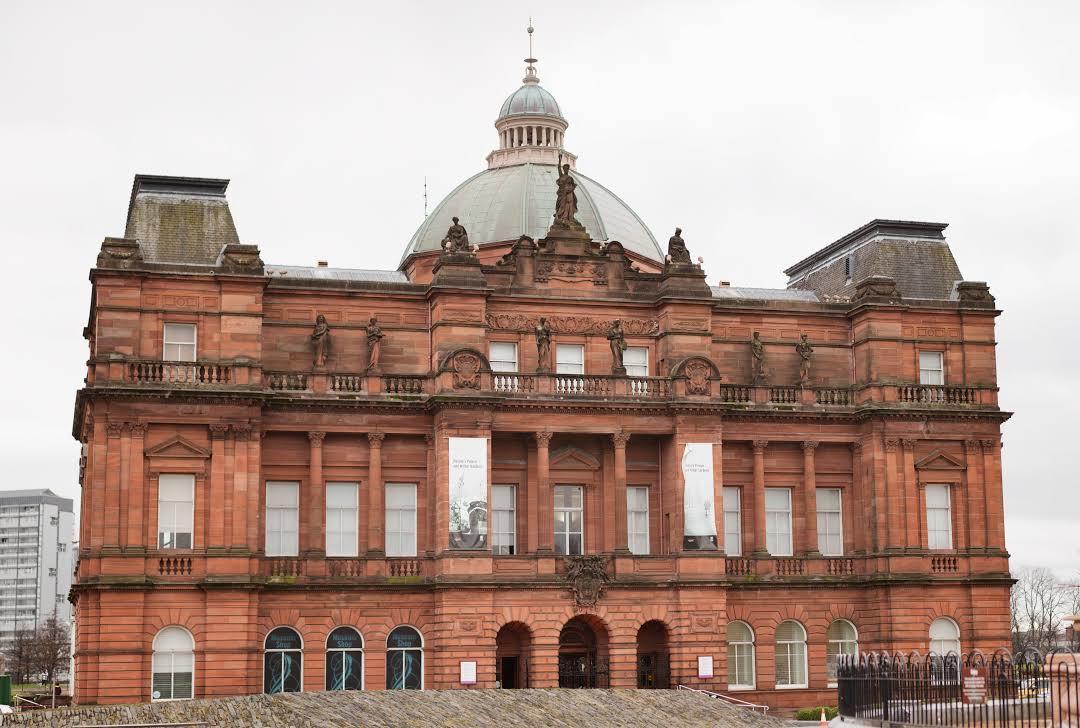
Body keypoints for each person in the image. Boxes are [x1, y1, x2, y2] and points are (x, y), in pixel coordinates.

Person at [554, 153, 578, 225]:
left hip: (569, 193)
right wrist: (559, 160)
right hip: (562, 194)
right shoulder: (562, 176)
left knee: (569, 204)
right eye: (565, 169)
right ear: (563, 169)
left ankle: (569, 218)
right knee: (561, 204)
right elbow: (558, 168)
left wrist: (571, 188)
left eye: (567, 169)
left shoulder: (570, 178)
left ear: (568, 169)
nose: (566, 170)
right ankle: (561, 216)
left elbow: (573, 185)